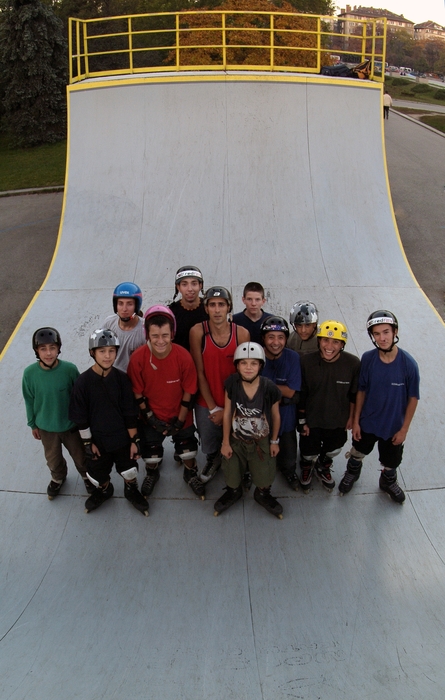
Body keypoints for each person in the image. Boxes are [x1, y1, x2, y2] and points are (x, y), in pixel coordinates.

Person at [339, 310, 419, 504]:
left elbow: (413, 398)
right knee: (358, 450)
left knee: (392, 460)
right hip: (368, 422)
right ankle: (352, 472)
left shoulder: (409, 365)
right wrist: (356, 421)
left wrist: (404, 429)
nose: (382, 338)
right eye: (376, 334)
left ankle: (388, 480)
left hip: (393, 426)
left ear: (395, 332)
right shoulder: (368, 359)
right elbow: (361, 390)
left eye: (386, 332)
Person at [127, 305, 205, 500]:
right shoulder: (137, 358)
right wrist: (151, 419)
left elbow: (189, 391)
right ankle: (153, 472)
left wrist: (180, 421)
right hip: (151, 418)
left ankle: (190, 472)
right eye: (155, 336)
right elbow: (137, 393)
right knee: (151, 455)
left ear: (172, 334)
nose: (160, 341)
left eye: (165, 335)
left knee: (188, 451)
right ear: (147, 335)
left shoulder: (183, 357)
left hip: (181, 416)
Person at [69, 329, 149, 515]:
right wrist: (88, 444)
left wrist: (134, 441)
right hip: (98, 441)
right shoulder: (83, 383)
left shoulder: (122, 379)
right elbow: (80, 418)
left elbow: (130, 413)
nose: (107, 356)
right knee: (97, 475)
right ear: (92, 353)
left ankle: (131, 490)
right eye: (102, 351)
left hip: (121, 439)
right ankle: (105, 490)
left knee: (129, 471)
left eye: (111, 351)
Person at [214, 342, 283, 518]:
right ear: (237, 365)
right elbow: (228, 412)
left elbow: (275, 415)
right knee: (231, 473)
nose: (248, 367)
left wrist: (274, 441)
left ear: (261, 365)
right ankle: (233, 491)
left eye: (253, 363)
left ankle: (262, 493)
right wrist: (226, 442)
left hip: (261, 441)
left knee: (264, 476)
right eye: (243, 363)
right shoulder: (232, 384)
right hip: (237, 440)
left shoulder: (269, 388)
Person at [190, 287, 249, 483]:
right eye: (212, 305)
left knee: (240, 437)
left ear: (229, 307)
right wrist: (214, 407)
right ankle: (213, 459)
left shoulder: (241, 333)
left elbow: (244, 375)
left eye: (221, 305)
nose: (217, 310)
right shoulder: (198, 331)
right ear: (206, 308)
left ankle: (241, 461)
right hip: (207, 400)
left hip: (234, 401)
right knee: (209, 441)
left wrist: (228, 410)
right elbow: (198, 372)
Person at [22, 327, 90, 499]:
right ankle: (58, 477)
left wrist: (84, 421)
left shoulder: (69, 370)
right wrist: (32, 424)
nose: (48, 353)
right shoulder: (29, 374)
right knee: (53, 458)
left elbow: (80, 397)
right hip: (46, 427)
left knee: (80, 455)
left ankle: (86, 475)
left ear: (59, 348)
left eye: (52, 348)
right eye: (43, 349)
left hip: (71, 426)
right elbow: (29, 399)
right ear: (36, 351)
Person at [298, 320, 360, 493]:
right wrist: (302, 420)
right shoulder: (306, 362)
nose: (329, 346)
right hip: (313, 419)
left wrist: (351, 417)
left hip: (338, 419)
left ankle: (323, 465)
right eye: (325, 340)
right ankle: (307, 466)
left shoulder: (353, 364)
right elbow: (301, 393)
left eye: (335, 342)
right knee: (308, 449)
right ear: (318, 341)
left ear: (342, 345)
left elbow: (354, 394)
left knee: (335, 447)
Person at [260, 316, 301, 491]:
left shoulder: (293, 357)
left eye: (281, 337)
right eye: (271, 337)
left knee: (289, 456)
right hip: (260, 415)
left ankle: (289, 471)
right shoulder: (256, 355)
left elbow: (291, 391)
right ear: (263, 338)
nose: (276, 342)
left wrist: (262, 385)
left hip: (286, 415)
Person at [102, 282, 145, 372]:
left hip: (135, 376)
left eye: (129, 304)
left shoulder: (145, 328)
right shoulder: (109, 323)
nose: (124, 309)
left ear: (136, 306)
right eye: (120, 304)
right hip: (111, 374)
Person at [168, 266, 207, 351]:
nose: (190, 289)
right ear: (178, 287)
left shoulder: (210, 309)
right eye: (184, 284)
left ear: (200, 286)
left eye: (194, 284)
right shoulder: (171, 312)